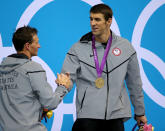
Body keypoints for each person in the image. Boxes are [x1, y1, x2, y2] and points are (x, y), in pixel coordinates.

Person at [61, 3, 147, 131]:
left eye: (97, 19)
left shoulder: (126, 48)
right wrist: (50, 103)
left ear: (109, 21)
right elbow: (65, 79)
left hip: (115, 116)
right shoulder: (78, 48)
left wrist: (140, 112)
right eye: (91, 19)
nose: (93, 23)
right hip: (87, 116)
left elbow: (135, 83)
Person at [0, 26, 71, 131]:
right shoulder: (33, 68)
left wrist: (32, 112)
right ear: (27, 46)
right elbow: (50, 102)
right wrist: (63, 86)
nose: (39, 46)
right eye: (36, 42)